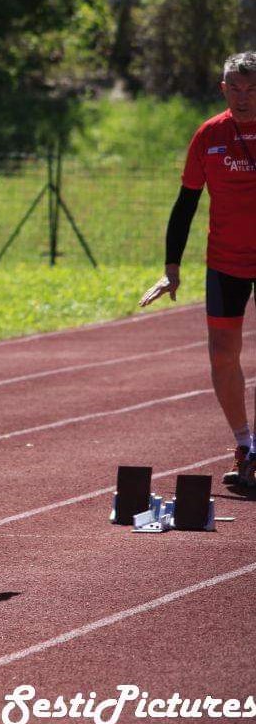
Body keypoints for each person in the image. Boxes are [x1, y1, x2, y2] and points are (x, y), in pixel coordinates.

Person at [140, 52, 256, 488]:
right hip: (225, 261)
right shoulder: (209, 135)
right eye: (235, 88)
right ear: (223, 88)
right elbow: (185, 203)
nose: (243, 97)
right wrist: (172, 268)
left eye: (252, 88)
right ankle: (244, 444)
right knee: (223, 356)